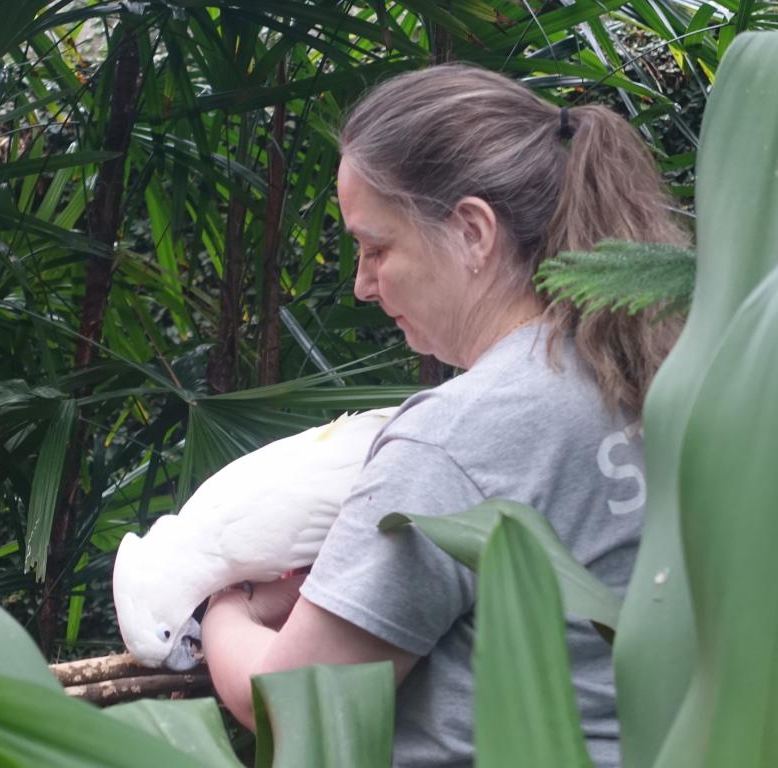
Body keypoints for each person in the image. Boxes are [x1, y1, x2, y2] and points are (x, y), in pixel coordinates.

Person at [201, 64, 689, 767]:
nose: (364, 285)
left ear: (472, 232)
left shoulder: (461, 433)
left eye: (376, 247)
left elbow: (293, 700)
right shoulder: (649, 371)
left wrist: (221, 605)